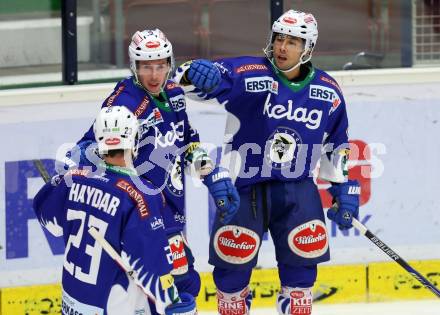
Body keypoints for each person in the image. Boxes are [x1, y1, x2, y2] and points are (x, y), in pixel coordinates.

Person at [174, 9, 360, 315]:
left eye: (293, 42)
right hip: (245, 191)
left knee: (300, 294)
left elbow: (336, 144)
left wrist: (343, 189)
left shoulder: (328, 91)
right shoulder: (249, 73)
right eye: (279, 39)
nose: (283, 47)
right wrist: (193, 72)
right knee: (231, 291)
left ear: (308, 48)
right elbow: (189, 82)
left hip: (297, 192)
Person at [65, 28, 239, 307]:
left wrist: (211, 174)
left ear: (169, 64)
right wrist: (81, 162)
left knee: (179, 286)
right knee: (175, 292)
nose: (155, 75)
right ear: (134, 66)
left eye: (160, 66)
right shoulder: (124, 102)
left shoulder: (174, 94)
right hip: (142, 215)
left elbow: (187, 143)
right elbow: (86, 147)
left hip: (171, 210)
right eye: (146, 66)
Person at [33, 106, 197, 315]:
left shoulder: (73, 178)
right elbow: (151, 267)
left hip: (72, 302)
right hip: (111, 305)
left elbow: (48, 219)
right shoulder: (142, 196)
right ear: (134, 139)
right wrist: (171, 302)